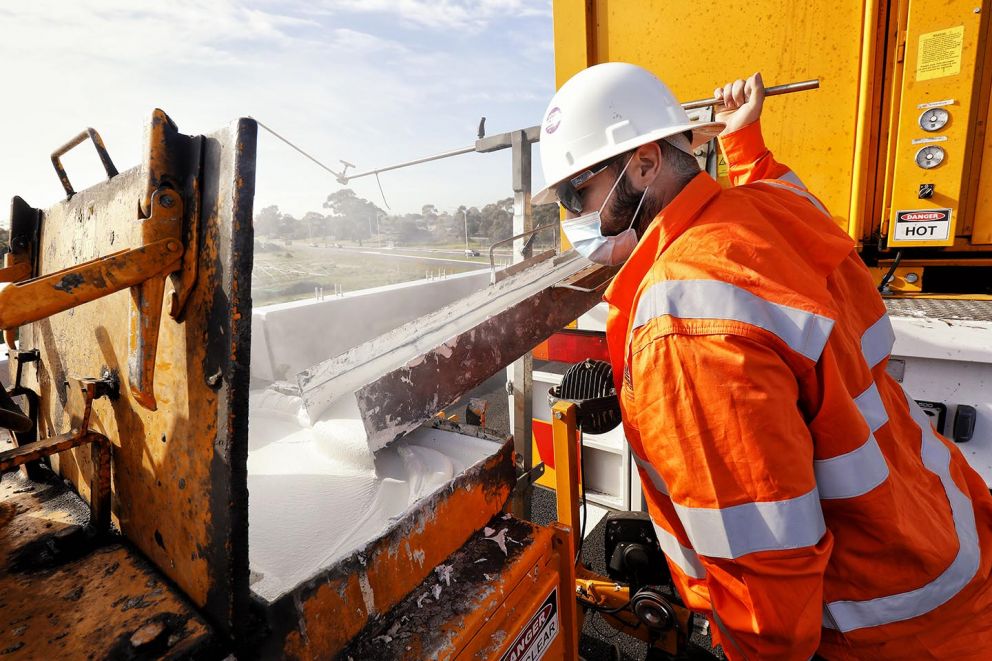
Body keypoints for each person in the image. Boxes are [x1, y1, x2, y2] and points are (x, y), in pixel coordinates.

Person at [532, 62, 992, 660]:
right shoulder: (769, 213)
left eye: (577, 193)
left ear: (644, 164)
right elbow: (783, 192)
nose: (574, 220)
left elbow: (765, 561)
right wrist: (744, 139)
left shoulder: (684, 324)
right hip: (940, 554)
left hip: (879, 628)